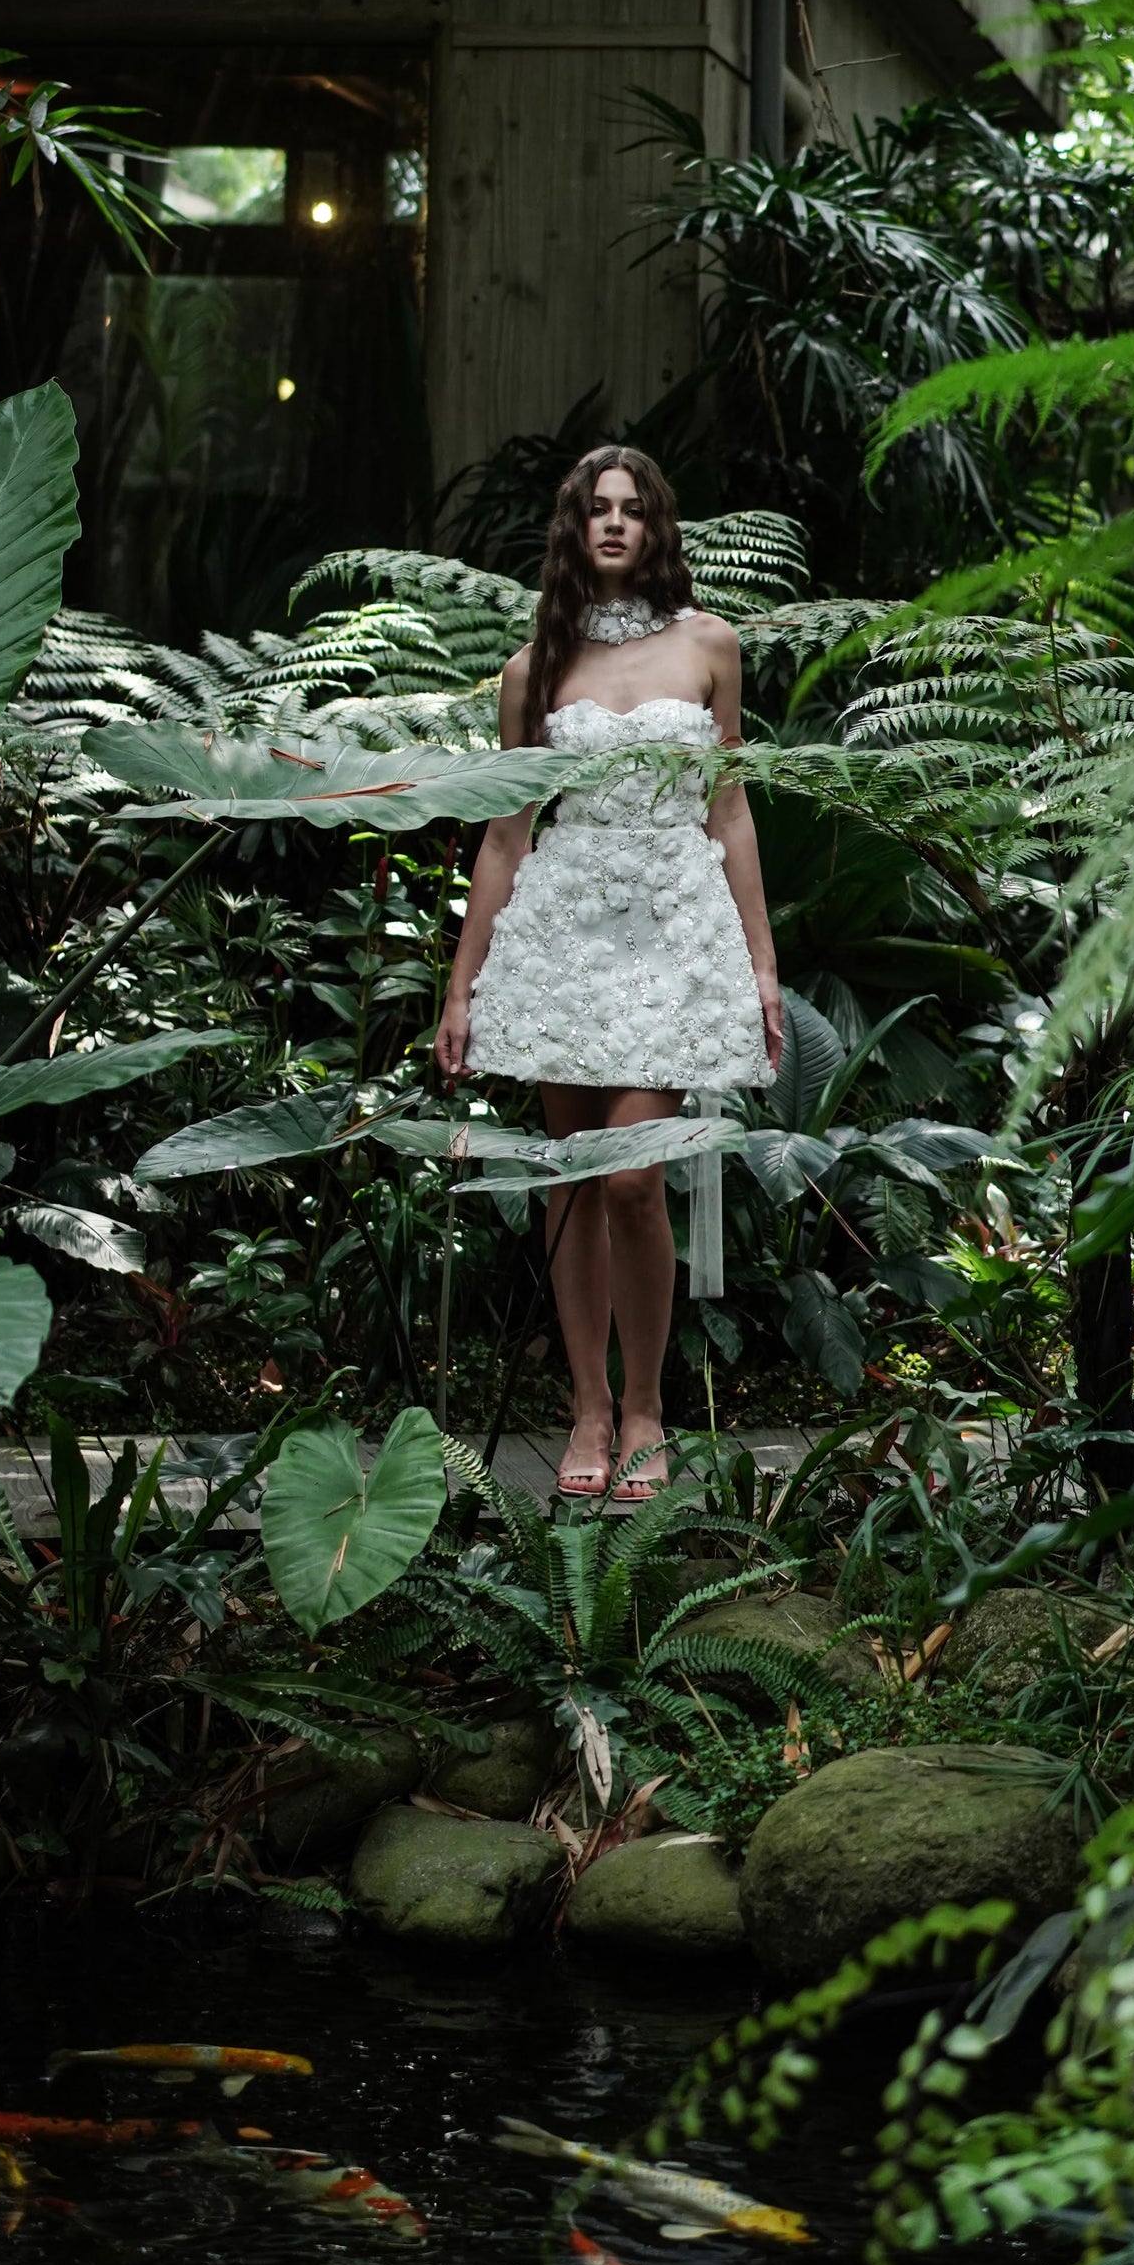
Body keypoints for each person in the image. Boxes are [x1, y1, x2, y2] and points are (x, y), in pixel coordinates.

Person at [434, 446, 784, 1501]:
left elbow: (729, 808)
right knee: (570, 1175)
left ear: (657, 525)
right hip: (562, 928)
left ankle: (647, 1407)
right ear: (573, 529)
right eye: (597, 509)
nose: (616, 524)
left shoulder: (709, 645)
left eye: (634, 508)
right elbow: (503, 837)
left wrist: (760, 964)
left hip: (672, 929)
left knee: (634, 1178)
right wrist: (463, 986)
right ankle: (588, 1406)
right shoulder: (529, 669)